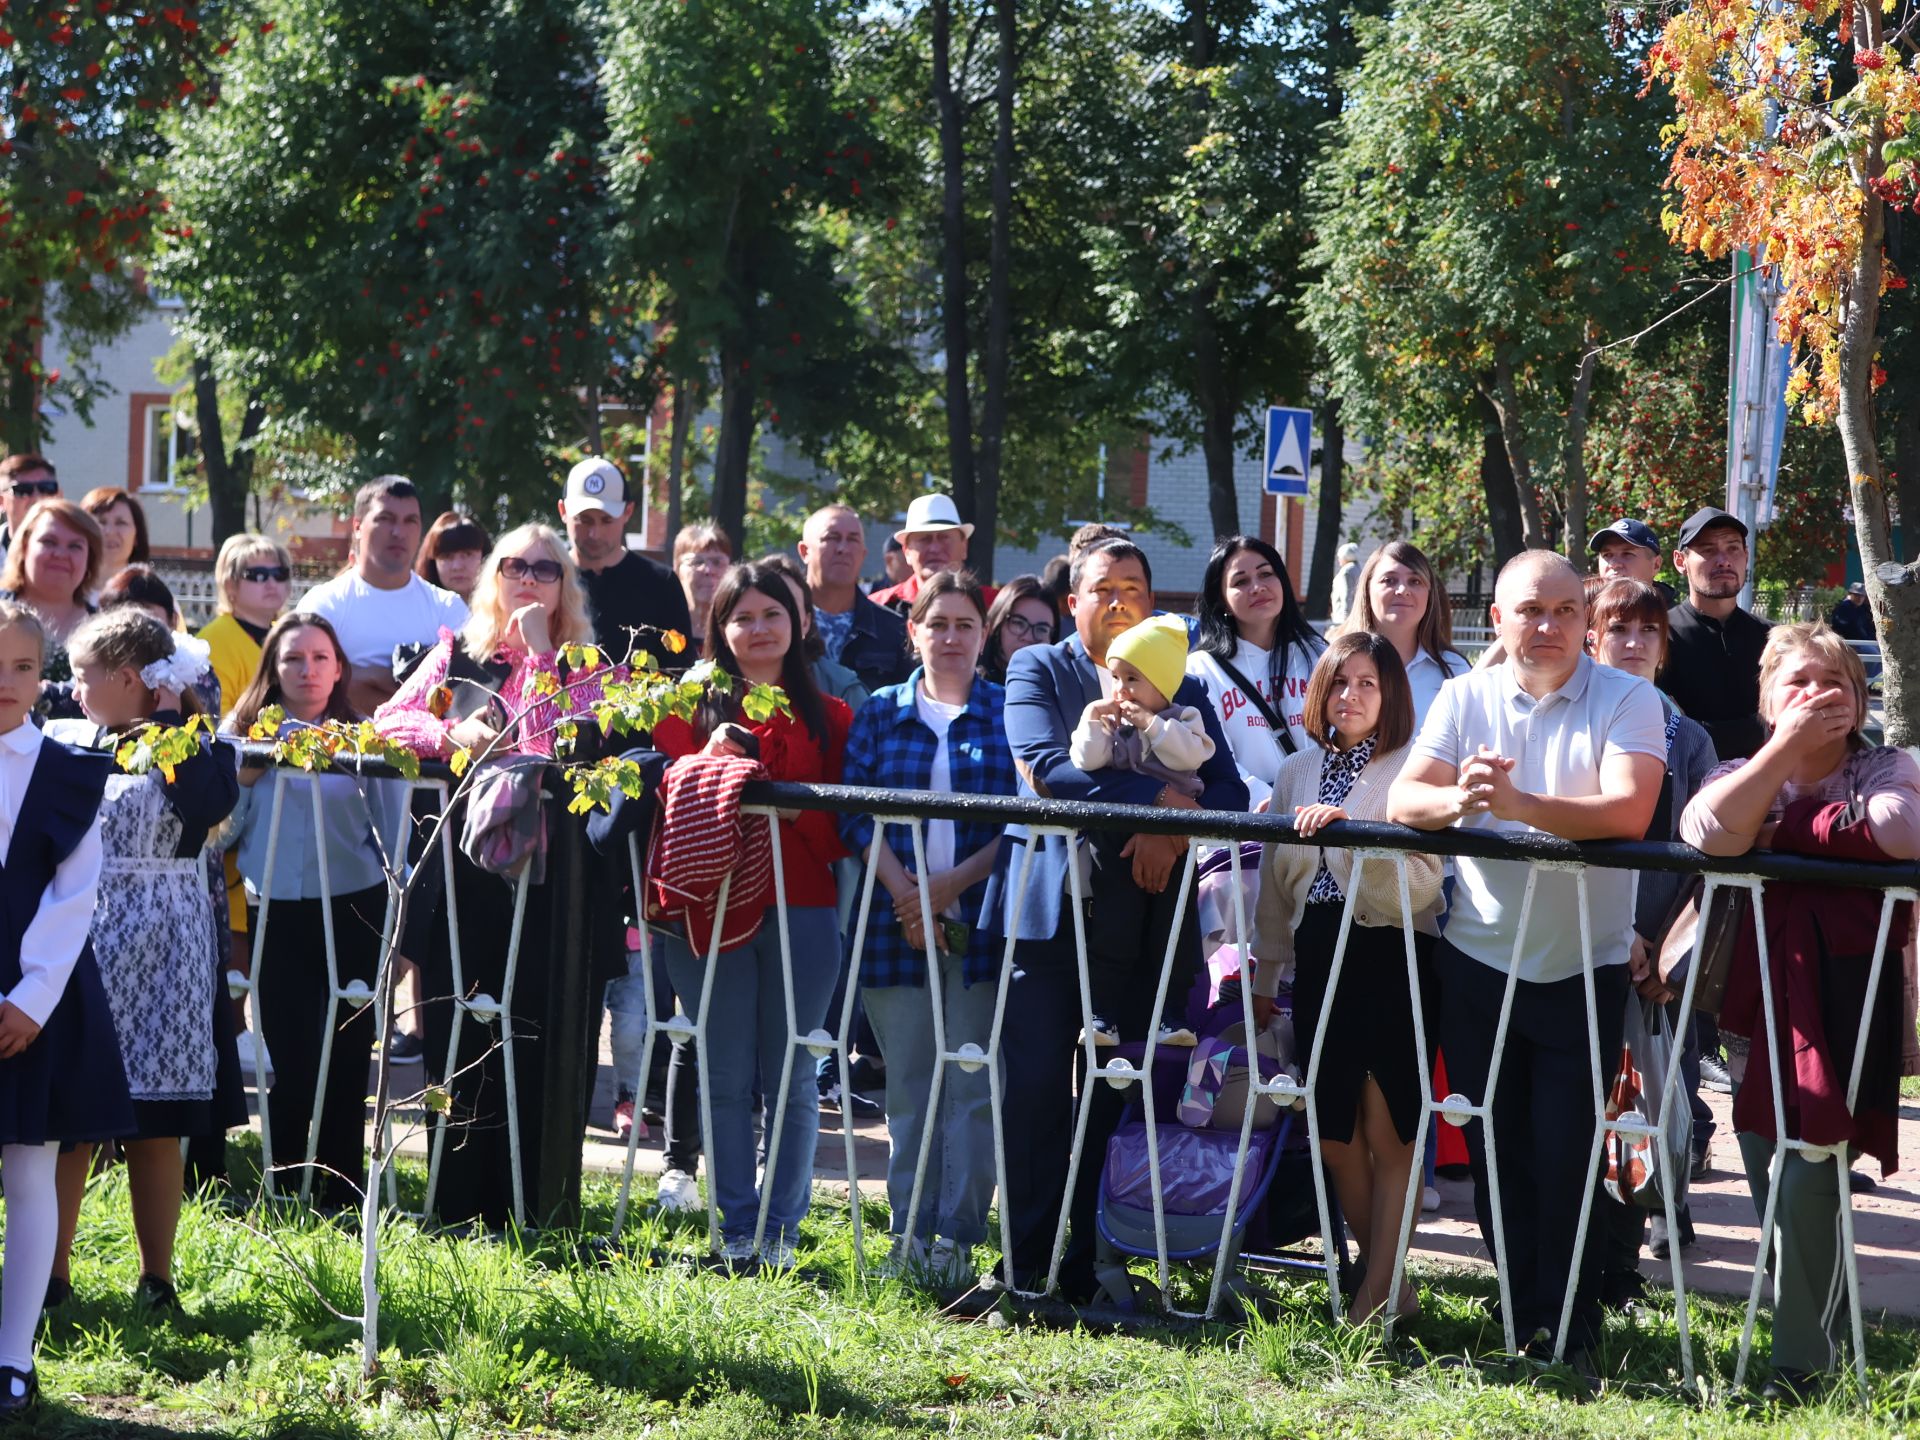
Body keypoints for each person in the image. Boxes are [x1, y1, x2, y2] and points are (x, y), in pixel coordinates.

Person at [1388, 550, 1666, 1364]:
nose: (1546, 626)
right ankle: (1524, 1316)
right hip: (1477, 958)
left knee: (1568, 1146)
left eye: (1564, 611)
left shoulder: (1631, 697)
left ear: (1587, 619)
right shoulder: (1464, 695)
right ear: (1498, 619)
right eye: (1528, 611)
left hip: (1585, 964)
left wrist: (1514, 806)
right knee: (1495, 1149)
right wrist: (1462, 801)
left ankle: (1573, 1324)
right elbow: (1410, 798)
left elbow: (1628, 812)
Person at [981, 538, 1246, 1299]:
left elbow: (1229, 797)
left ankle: (1086, 1263)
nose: (1120, 600)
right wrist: (1159, 807)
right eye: (1104, 588)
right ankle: (1023, 1266)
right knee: (1032, 1092)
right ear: (1076, 601)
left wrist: (1171, 830)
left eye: (1136, 587)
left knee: (1115, 1089)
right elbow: (1046, 768)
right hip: (1046, 911)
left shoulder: (1182, 683)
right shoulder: (1040, 665)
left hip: (1142, 927)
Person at [1680, 623, 1919, 1402]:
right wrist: (1780, 760)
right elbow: (1711, 832)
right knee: (1771, 1177)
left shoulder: (1885, 766)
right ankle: (1834, 1319)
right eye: (1798, 684)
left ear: (1860, 699)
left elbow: (1901, 829)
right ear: (1766, 702)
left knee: (1809, 1165)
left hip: (1851, 1004)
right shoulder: (1743, 769)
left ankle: (1799, 1368)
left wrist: (1791, 833)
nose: (1819, 698)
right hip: (1753, 1008)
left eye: (1836, 684)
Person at [374, 525, 623, 1227]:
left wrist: (543, 653)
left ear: (565, 586)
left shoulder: (595, 665)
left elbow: (571, 740)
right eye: (514, 565)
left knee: (544, 1036)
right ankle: (455, 1206)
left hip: (559, 886)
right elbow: (389, 721)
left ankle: (535, 1210)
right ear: (493, 576)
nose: (528, 577)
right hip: (468, 877)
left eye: (547, 568)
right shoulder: (459, 654)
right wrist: (449, 733)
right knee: (461, 1033)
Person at [647, 563, 853, 1267]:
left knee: (792, 1075)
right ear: (721, 627)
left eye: (773, 613)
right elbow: (662, 807)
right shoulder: (681, 712)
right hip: (710, 910)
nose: (758, 628)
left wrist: (789, 803)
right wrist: (708, 768)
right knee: (726, 1075)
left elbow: (840, 839)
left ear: (797, 622)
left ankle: (781, 1230)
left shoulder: (835, 718)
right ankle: (736, 1227)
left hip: (804, 910)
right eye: (743, 616)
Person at [47, 611, 237, 1313]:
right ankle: (53, 1274)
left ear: (129, 678)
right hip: (88, 940)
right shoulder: (73, 743)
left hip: (165, 948)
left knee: (159, 1124)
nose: (71, 690)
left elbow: (208, 802)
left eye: (82, 676)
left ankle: (157, 1279)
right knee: (67, 1122)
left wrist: (167, 716)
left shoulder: (195, 747)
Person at [1252, 632, 1443, 1321]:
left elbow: (1424, 886)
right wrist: (1266, 972)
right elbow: (1276, 890)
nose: (1351, 696)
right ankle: (1393, 1287)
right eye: (1339, 682)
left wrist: (1352, 839)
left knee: (1389, 1128)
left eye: (1367, 683)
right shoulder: (1296, 771)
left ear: (1391, 693)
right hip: (1319, 958)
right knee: (1332, 1134)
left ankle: (1374, 1300)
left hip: (1393, 954)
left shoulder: (1414, 769)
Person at [839, 571, 1013, 1286]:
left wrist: (947, 889)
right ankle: (907, 1234)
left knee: (972, 1087)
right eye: (936, 623)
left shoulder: (1007, 712)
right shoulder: (879, 712)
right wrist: (908, 897)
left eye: (964, 624)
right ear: (912, 632)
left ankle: (957, 1239)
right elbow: (855, 814)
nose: (950, 637)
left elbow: (1019, 824)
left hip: (980, 924)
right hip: (892, 925)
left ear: (984, 635)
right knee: (910, 1088)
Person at [224, 614, 410, 1210]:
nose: (308, 670)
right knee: (291, 1053)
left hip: (353, 908)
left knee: (349, 1051)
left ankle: (341, 1190)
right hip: (275, 908)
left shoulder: (362, 738)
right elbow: (219, 831)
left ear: (338, 668)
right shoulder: (242, 735)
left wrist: (398, 930)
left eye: (320, 658)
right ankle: (281, 1182)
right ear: (272, 669)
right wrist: (248, 774)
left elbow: (392, 836)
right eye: (293, 659)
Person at [0, 600, 133, 1418]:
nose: (4, 684)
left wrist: (30, 999)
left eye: (20, 666)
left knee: (29, 1170)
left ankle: (13, 1356)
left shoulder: (68, 770)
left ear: (42, 675)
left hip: (35, 1002)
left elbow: (74, 896)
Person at [1584, 580, 1719, 1301]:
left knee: (1635, 1112)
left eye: (1648, 632)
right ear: (1592, 639)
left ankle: (1619, 1267)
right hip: (1573, 943)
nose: (1633, 643)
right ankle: (1568, 1263)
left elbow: (1701, 858)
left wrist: (1656, 943)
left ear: (1665, 649)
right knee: (1575, 1107)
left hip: (1650, 962)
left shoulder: (1687, 738)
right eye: (1618, 630)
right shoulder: (1571, 720)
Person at [1068, 612, 1214, 1046]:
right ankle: (1100, 1016)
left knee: (1172, 934)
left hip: (1175, 837)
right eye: (1116, 678)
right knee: (1114, 928)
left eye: (1133, 678)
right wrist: (1093, 721)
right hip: (1114, 838)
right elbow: (1086, 762)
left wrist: (1152, 725)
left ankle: (1172, 1017)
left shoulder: (1184, 716)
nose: (1121, 690)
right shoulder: (1114, 721)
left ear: (1162, 683)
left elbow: (1191, 756)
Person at [301, 476, 468, 716]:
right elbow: (303, 688)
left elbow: (469, 697)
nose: (399, 532)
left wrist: (354, 678)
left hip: (428, 753)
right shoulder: (323, 605)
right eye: (385, 519)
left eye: (410, 521)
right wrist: (417, 687)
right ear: (357, 527)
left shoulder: (448, 609)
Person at [1188, 535, 1326, 810]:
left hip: (1322, 813)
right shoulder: (1201, 669)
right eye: (1240, 581)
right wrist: (1269, 801)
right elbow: (1212, 756)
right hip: (1251, 824)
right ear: (1222, 601)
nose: (1257, 587)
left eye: (1266, 574)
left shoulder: (1318, 653)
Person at [1660, 507, 1771, 762]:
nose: (1723, 560)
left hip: (1769, 787)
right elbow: (1666, 730)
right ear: (1680, 561)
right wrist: (1763, 728)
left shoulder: (1773, 639)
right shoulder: (1659, 636)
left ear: (1746, 555)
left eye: (1733, 548)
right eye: (1708, 550)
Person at [558, 458, 690, 663]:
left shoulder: (660, 583)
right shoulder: (548, 578)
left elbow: (680, 668)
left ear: (628, 512)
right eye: (584, 520)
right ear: (563, 511)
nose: (595, 533)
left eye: (606, 520)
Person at [1340, 540, 1468, 728]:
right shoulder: (1334, 663)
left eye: (1415, 581)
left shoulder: (1455, 670)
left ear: (1429, 594)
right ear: (1367, 589)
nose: (1403, 590)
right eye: (1389, 580)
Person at [797, 504, 910, 694]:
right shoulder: (780, 623)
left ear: (863, 554)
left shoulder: (893, 629)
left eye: (853, 539)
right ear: (804, 551)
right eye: (832, 538)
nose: (843, 548)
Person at [0, 497, 102, 700]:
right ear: (24, 547)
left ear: (90, 558)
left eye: (75, 546)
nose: (61, 554)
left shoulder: (104, 631)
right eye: (49, 542)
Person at [199, 534, 294, 721]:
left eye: (279, 574)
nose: (271, 583)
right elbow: (215, 719)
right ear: (230, 585)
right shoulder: (213, 640)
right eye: (258, 575)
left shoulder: (291, 635)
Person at [869, 495, 986, 613]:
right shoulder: (877, 609)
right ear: (907, 552)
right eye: (924, 539)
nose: (935, 548)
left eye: (944, 537)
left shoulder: (994, 608)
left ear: (964, 547)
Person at [980, 575, 1058, 685]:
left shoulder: (1061, 694)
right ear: (996, 625)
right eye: (1018, 623)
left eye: (1041, 629)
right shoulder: (970, 690)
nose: (1028, 637)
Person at [671, 522, 733, 658]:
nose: (708, 570)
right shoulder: (665, 626)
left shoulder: (737, 626)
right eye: (697, 562)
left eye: (717, 562)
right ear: (677, 569)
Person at [1588, 517, 1678, 606]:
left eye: (1627, 554)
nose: (1614, 564)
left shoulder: (1675, 619)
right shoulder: (1583, 614)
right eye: (1607, 555)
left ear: (1656, 565)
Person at [79, 487, 151, 592]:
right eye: (101, 522)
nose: (110, 532)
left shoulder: (153, 597)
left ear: (137, 536)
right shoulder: (63, 593)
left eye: (120, 523)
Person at [416, 511, 492, 605]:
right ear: (433, 561)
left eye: (467, 554)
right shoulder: (417, 611)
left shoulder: (505, 611)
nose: (457, 566)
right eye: (447, 556)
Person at [0, 453, 59, 558]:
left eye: (46, 488)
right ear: (1, 501)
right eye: (23, 490)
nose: (37, 497)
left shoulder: (83, 548)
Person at [1328, 541, 1360, 626]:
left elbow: (1347, 594)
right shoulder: (1357, 569)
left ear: (1345, 556)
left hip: (1342, 617)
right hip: (1355, 615)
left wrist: (1345, 618)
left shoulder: (1346, 571)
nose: (1338, 559)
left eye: (1339, 557)